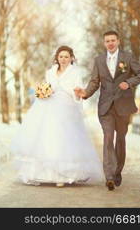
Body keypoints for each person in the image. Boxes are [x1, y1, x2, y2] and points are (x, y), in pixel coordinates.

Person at [11, 45, 103, 187]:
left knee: (64, 138)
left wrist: (77, 93)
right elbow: (48, 86)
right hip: (49, 105)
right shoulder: (50, 72)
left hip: (67, 106)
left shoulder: (75, 72)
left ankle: (63, 175)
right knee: (47, 136)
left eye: (66, 56)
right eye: (61, 56)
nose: (63, 59)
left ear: (71, 58)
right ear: (57, 58)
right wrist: (44, 91)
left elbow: (78, 91)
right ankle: (42, 173)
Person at [75, 31, 140, 191]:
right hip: (105, 107)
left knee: (120, 140)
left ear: (118, 41)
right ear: (104, 43)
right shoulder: (99, 60)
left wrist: (128, 82)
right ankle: (109, 177)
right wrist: (85, 93)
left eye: (113, 40)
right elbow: (95, 81)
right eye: (107, 41)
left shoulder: (127, 57)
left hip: (123, 106)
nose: (110, 43)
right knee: (108, 138)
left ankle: (117, 171)